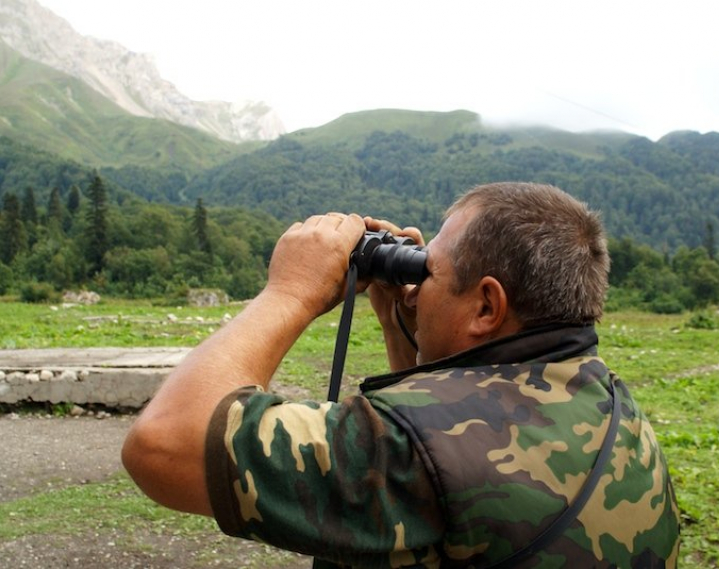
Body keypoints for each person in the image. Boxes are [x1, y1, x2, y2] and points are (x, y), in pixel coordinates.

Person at [122, 182, 680, 568]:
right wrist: (400, 327)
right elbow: (453, 444)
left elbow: (164, 446)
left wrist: (290, 290)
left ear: (486, 307)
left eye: (429, 269)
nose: (416, 282)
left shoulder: (402, 453)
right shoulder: (609, 400)